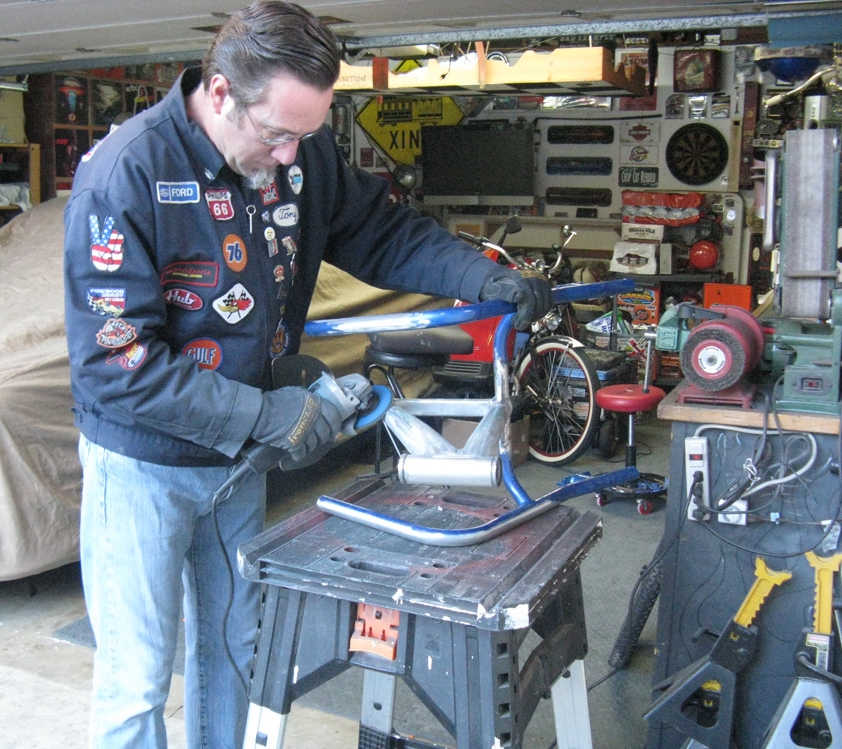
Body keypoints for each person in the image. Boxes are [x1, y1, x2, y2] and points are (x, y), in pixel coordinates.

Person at [62, 2, 551, 746]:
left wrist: (479, 276)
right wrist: (270, 416)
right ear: (221, 93)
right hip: (143, 467)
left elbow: (379, 231)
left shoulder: (298, 156)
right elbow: (116, 366)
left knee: (235, 650)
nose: (292, 157)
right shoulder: (127, 174)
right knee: (137, 678)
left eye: (307, 135)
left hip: (237, 462)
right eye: (277, 134)